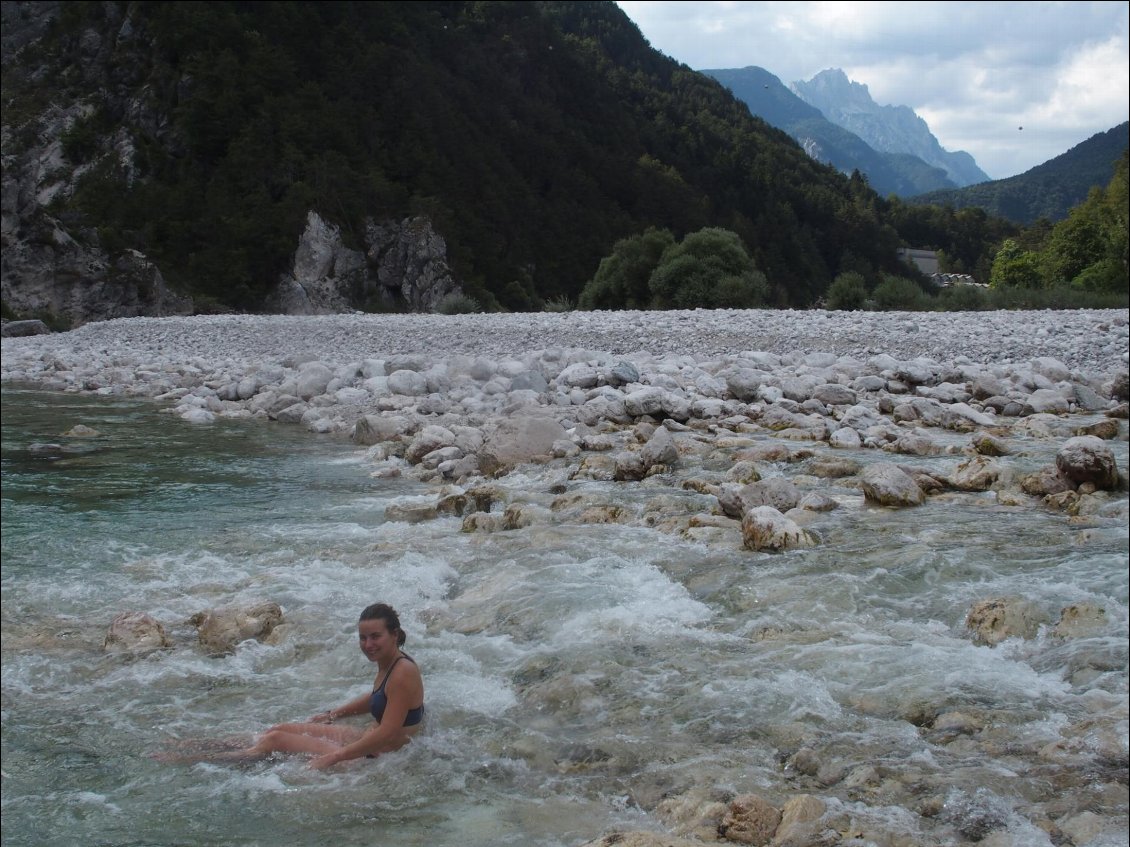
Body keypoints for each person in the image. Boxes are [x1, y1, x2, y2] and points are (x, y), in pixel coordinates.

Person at [160, 603, 425, 769]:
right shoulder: (389, 662)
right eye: (363, 638)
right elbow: (379, 697)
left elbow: (388, 733)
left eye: (375, 636)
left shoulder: (403, 672)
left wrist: (335, 757)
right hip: (366, 741)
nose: (368, 645)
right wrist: (335, 714)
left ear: (394, 635)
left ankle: (189, 761)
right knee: (277, 730)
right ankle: (196, 745)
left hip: (376, 755)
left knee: (275, 741)